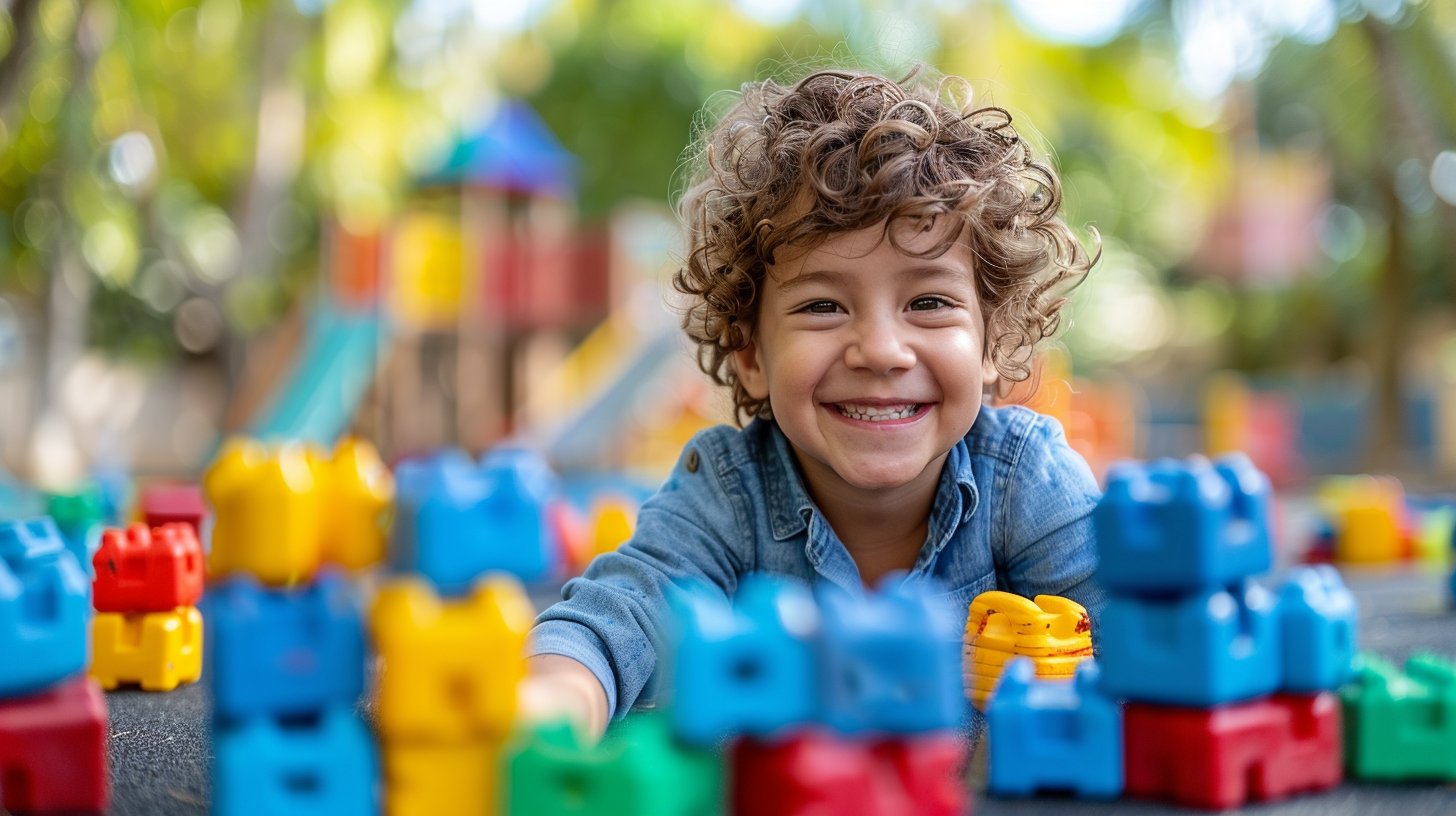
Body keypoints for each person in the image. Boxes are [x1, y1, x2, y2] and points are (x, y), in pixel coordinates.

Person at [520, 66, 1103, 740]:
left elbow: (1133, 627)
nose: (882, 349)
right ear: (751, 353)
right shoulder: (728, 494)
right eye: (823, 306)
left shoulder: (1025, 479)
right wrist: (551, 705)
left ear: (991, 342)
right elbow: (619, 616)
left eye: (929, 303)